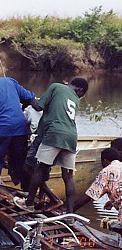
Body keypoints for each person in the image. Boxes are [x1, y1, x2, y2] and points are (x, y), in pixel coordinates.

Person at [14, 78, 89, 214]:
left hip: (54, 133)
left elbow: (38, 106)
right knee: (68, 176)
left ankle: (29, 203)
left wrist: (30, 100)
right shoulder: (75, 100)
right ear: (79, 90)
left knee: (39, 169)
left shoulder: (56, 86)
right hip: (71, 136)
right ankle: (70, 213)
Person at [73, 147, 122, 222]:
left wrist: (70, 210)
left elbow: (90, 195)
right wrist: (113, 202)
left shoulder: (107, 171)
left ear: (105, 161)